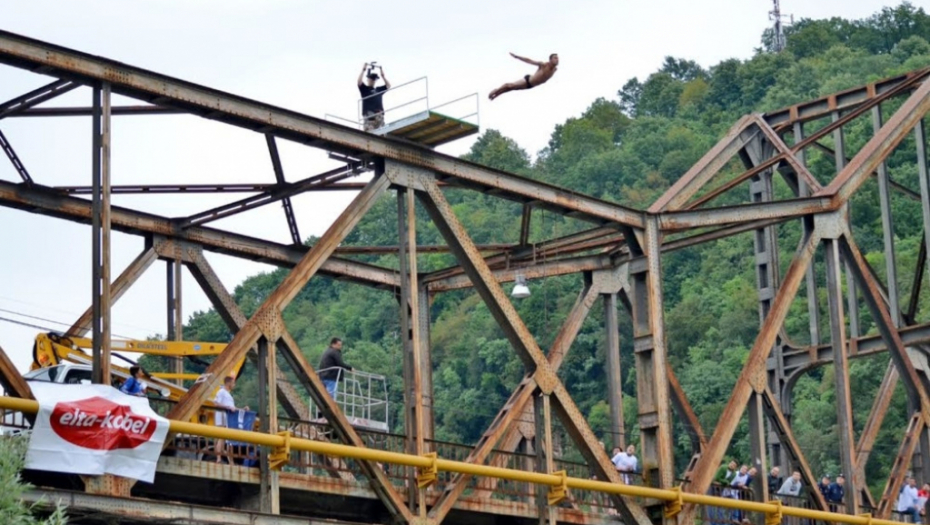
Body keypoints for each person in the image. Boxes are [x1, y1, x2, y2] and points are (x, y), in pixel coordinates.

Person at [488, 52, 559, 101]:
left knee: (511, 88)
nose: (557, 60)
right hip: (528, 80)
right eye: (555, 58)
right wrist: (516, 57)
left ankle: (496, 95)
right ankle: (495, 91)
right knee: (509, 85)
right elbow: (529, 61)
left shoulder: (555, 70)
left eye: (557, 58)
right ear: (550, 60)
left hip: (530, 86)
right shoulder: (543, 65)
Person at [212, 376, 249, 465]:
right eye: (233, 383)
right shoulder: (221, 392)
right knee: (221, 437)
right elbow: (215, 403)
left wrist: (242, 409)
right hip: (222, 416)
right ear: (228, 383)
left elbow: (232, 407)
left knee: (226, 439)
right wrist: (227, 407)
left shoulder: (228, 394)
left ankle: (230, 460)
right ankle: (218, 458)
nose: (234, 385)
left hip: (228, 417)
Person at [357, 62, 391, 131]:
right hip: (369, 115)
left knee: (381, 133)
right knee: (369, 133)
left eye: (374, 79)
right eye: (371, 79)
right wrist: (363, 70)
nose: (373, 81)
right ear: (368, 79)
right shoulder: (365, 89)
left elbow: (388, 86)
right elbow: (359, 82)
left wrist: (383, 76)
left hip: (379, 115)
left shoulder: (378, 89)